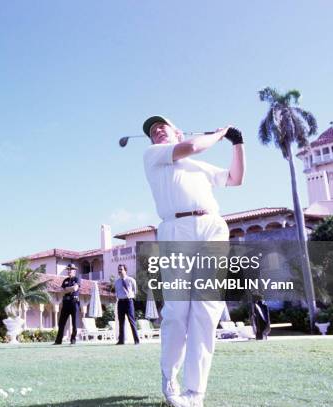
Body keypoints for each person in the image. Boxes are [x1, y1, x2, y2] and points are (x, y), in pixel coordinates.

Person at [142, 115, 245, 407]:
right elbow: (193, 147)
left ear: (177, 131)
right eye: (152, 130)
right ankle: (169, 376)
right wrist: (220, 133)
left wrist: (237, 144)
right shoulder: (155, 155)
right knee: (177, 310)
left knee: (206, 310)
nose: (157, 131)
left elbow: (235, 179)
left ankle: (195, 392)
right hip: (177, 229)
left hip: (212, 226)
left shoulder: (197, 165)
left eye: (162, 126)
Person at [53, 264, 80, 345]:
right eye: (68, 269)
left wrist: (66, 289)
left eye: (71, 269)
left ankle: (73, 339)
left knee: (74, 323)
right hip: (66, 303)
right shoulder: (65, 280)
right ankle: (58, 341)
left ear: (74, 271)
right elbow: (61, 291)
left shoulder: (77, 279)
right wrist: (69, 289)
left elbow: (75, 288)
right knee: (61, 323)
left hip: (74, 303)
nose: (69, 271)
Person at [113, 264, 140, 345]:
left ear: (125, 270)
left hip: (129, 302)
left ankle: (136, 340)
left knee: (132, 321)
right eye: (118, 269)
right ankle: (121, 341)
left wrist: (129, 297)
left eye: (121, 269)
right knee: (121, 322)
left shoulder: (131, 280)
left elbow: (135, 291)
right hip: (120, 302)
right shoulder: (117, 282)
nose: (119, 271)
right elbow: (117, 293)